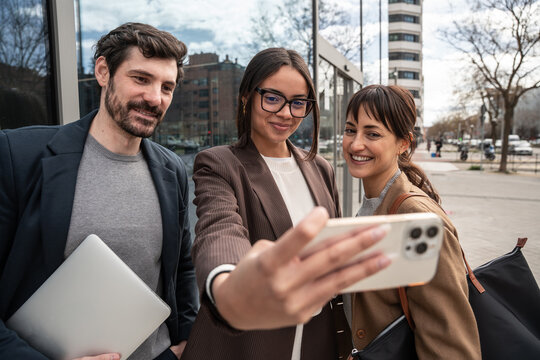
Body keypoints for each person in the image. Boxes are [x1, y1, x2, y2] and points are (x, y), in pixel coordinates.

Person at [0, 23, 198, 360]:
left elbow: (182, 268)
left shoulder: (171, 169)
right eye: (141, 79)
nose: (155, 98)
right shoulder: (18, 155)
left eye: (167, 87)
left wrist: (184, 344)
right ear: (103, 71)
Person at [181, 48, 392, 360]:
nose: (285, 113)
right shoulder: (220, 164)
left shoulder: (320, 168)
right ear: (246, 97)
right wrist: (228, 286)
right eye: (272, 98)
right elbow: (219, 228)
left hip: (316, 343)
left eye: (298, 103)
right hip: (246, 346)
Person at [341, 85, 481, 358]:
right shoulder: (374, 202)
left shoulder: (415, 217)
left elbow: (451, 344)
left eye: (372, 133)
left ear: (403, 143)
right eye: (350, 130)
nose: (356, 144)